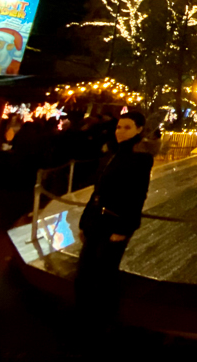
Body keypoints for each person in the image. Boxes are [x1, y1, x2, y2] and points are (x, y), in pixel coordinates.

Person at [75, 111, 154, 324]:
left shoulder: (141, 157)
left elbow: (137, 194)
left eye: (127, 127)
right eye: (119, 127)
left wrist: (124, 229)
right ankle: (84, 317)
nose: (120, 131)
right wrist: (85, 221)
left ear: (139, 130)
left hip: (114, 222)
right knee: (85, 271)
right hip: (96, 220)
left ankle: (104, 319)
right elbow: (97, 190)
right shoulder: (113, 153)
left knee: (104, 274)